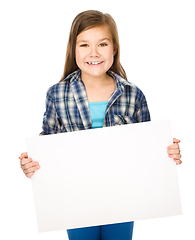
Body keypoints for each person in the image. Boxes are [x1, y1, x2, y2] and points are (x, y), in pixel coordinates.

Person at [19, 10, 182, 240]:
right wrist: (31, 164)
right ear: (73, 50)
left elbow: (148, 149)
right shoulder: (57, 94)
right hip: (75, 200)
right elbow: (47, 146)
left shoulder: (132, 94)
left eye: (102, 44)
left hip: (122, 199)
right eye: (84, 45)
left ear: (114, 49)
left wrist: (168, 153)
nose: (94, 53)